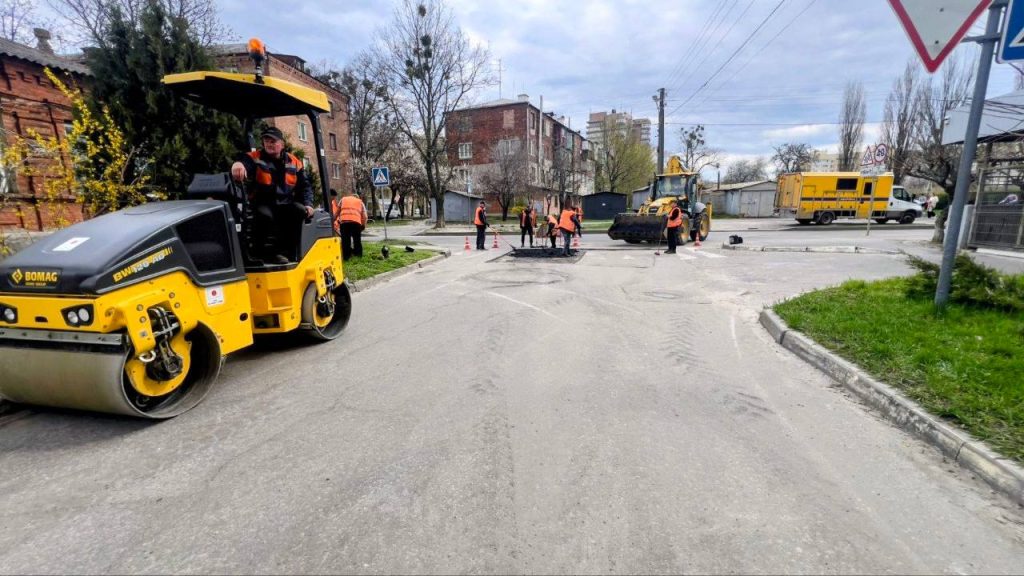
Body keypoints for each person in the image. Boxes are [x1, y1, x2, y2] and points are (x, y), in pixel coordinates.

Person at [230, 126, 313, 264]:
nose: (269, 144)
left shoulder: (294, 162)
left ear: (282, 144)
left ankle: (288, 252)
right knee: (265, 215)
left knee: (299, 211)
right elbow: (244, 162)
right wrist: (238, 164)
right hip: (262, 202)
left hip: (285, 204)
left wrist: (308, 204)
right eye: (266, 141)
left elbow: (305, 186)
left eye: (273, 141)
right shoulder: (255, 158)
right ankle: (265, 253)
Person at [336, 189, 368, 260]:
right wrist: (363, 225)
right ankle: (358, 256)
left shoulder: (343, 199)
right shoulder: (360, 202)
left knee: (345, 241)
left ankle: (347, 257)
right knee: (357, 240)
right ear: (357, 198)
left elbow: (337, 212)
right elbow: (365, 216)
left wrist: (333, 220)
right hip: (356, 223)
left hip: (344, 223)